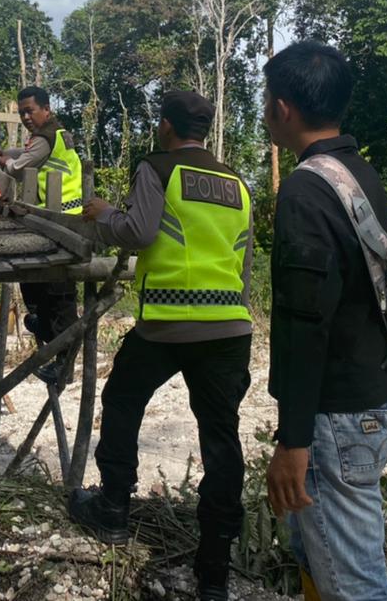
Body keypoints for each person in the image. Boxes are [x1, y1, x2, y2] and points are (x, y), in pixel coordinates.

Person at [70, 90, 253, 601]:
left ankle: (112, 509)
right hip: (229, 328)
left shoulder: (158, 167)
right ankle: (215, 571)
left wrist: (102, 212)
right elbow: (244, 261)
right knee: (222, 442)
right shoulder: (237, 183)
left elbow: (138, 232)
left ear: (167, 126)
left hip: (168, 323)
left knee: (123, 400)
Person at [261, 41, 387, 601]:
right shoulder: (359, 173)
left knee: (353, 584)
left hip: (336, 416)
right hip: (376, 394)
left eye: (268, 99)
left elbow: (304, 323)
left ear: (284, 109)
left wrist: (293, 441)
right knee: (319, 561)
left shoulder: (304, 189)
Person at [0, 86, 83, 380]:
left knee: (59, 293)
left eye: (30, 111)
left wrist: (1, 160)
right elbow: (25, 152)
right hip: (56, 216)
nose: (25, 116)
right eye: (22, 111)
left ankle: (63, 363)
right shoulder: (56, 133)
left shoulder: (45, 137)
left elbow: (18, 166)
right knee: (35, 278)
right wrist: (2, 152)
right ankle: (42, 322)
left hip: (62, 219)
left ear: (46, 109)